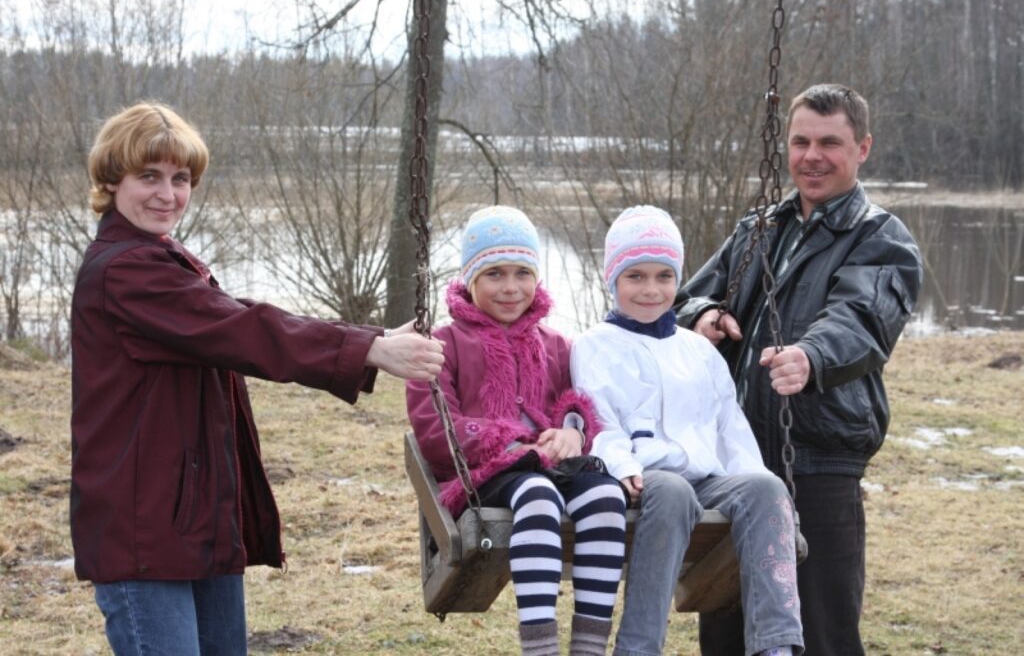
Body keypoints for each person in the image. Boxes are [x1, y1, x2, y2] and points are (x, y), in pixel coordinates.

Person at [70, 101, 445, 655]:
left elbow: (232, 313)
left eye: (180, 179)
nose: (167, 194)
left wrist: (369, 337)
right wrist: (367, 349)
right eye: (148, 176)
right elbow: (243, 329)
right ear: (112, 179)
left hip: (191, 516)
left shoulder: (163, 257)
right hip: (143, 533)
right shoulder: (125, 270)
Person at [676, 84, 924, 655]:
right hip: (737, 461)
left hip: (817, 462)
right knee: (727, 626)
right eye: (802, 141)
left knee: (822, 629)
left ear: (862, 147)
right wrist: (704, 316)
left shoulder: (881, 239)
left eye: (830, 143)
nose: (813, 156)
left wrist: (811, 356)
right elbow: (684, 297)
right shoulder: (757, 228)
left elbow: (861, 320)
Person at [571, 206, 804, 656]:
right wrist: (620, 466)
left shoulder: (698, 350)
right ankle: (639, 647)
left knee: (764, 485)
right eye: (635, 276)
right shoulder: (594, 345)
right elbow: (595, 418)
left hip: (708, 479)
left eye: (663, 276)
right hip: (646, 479)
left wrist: (755, 479)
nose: (651, 289)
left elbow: (729, 429)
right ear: (612, 278)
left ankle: (776, 644)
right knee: (674, 490)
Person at [407, 206, 627, 656]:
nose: (511, 288)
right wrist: (510, 442)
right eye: (494, 274)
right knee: (537, 495)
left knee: (607, 498)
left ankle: (589, 645)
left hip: (552, 468)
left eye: (523, 273)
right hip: (485, 478)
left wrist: (571, 430)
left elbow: (577, 402)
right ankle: (540, 645)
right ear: (469, 278)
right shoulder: (442, 344)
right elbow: (436, 428)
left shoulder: (555, 344)